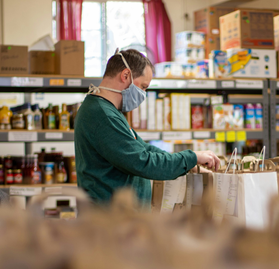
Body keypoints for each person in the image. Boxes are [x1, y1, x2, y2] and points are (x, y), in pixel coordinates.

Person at [75, 49, 220, 209]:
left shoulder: (110, 111)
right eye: (143, 87)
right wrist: (190, 157)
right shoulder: (102, 115)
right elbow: (143, 162)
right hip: (110, 221)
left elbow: (143, 148)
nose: (143, 94)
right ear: (125, 76)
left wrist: (188, 163)